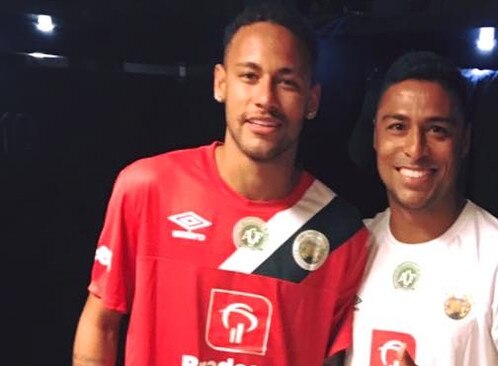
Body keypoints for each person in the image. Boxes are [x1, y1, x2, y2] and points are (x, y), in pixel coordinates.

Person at [72, 3, 369, 365]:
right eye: (249, 76)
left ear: (312, 99)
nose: (265, 99)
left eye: (287, 82)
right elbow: (101, 324)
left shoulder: (340, 233)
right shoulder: (147, 188)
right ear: (220, 83)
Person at [344, 51, 498, 365]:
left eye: (437, 130)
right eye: (398, 127)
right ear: (375, 136)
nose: (415, 149)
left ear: (464, 141)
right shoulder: (351, 249)